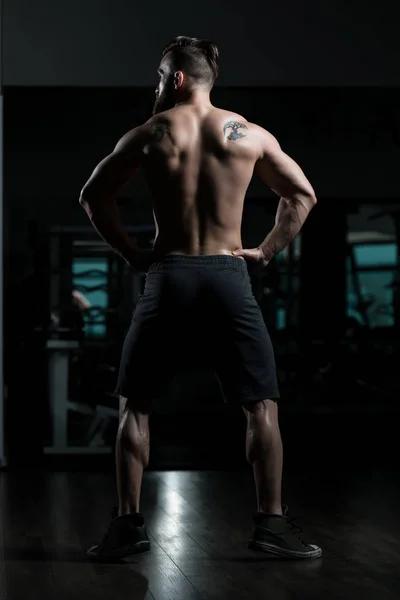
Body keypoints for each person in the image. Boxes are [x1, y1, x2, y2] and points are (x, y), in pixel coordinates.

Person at [80, 36, 320, 561]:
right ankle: (272, 525)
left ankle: (127, 525)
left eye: (162, 75)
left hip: (168, 273)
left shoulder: (150, 133)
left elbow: (92, 197)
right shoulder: (250, 134)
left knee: (135, 406)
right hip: (228, 272)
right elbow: (302, 195)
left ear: (178, 78)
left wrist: (131, 253)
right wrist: (265, 252)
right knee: (261, 405)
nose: (158, 84)